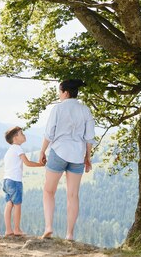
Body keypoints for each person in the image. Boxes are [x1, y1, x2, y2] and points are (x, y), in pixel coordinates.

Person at [39, 79, 95, 241]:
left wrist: (42, 151)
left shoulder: (58, 109)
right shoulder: (85, 110)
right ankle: (69, 234)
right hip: (77, 155)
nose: (59, 94)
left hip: (58, 152)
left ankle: (49, 227)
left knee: (49, 191)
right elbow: (89, 137)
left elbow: (49, 133)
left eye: (59, 91)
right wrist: (87, 157)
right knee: (73, 195)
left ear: (65, 92)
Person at [2, 126, 44, 237]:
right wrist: (41, 164)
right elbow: (27, 163)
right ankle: (17, 229)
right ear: (15, 138)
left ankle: (8, 230)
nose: (24, 135)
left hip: (6, 180)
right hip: (15, 181)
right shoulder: (18, 148)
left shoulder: (9, 151)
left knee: (9, 204)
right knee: (17, 205)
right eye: (21, 133)